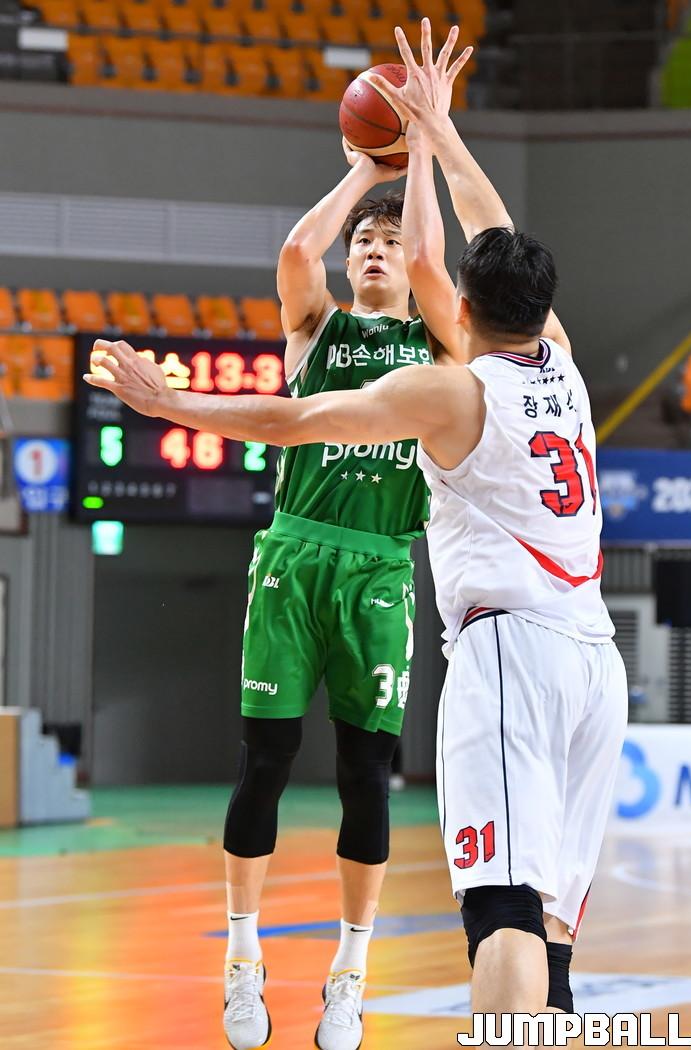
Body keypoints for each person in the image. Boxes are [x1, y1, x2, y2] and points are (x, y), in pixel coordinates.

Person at [85, 20, 627, 1028]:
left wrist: (173, 404)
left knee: (501, 911)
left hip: (510, 650)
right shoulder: (560, 359)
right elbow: (483, 227)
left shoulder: (450, 389)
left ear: (459, 304)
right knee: (551, 923)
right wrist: (436, 133)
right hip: (595, 659)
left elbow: (292, 418)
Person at [86, 45, 472, 1050]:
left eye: (390, 242)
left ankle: (351, 972)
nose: (377, 251)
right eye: (367, 244)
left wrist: (421, 162)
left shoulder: (438, 348)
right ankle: (243, 957)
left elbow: (433, 263)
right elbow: (300, 251)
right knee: (264, 761)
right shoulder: (318, 330)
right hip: (293, 557)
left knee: (365, 774)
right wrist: (367, 167)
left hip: (381, 566)